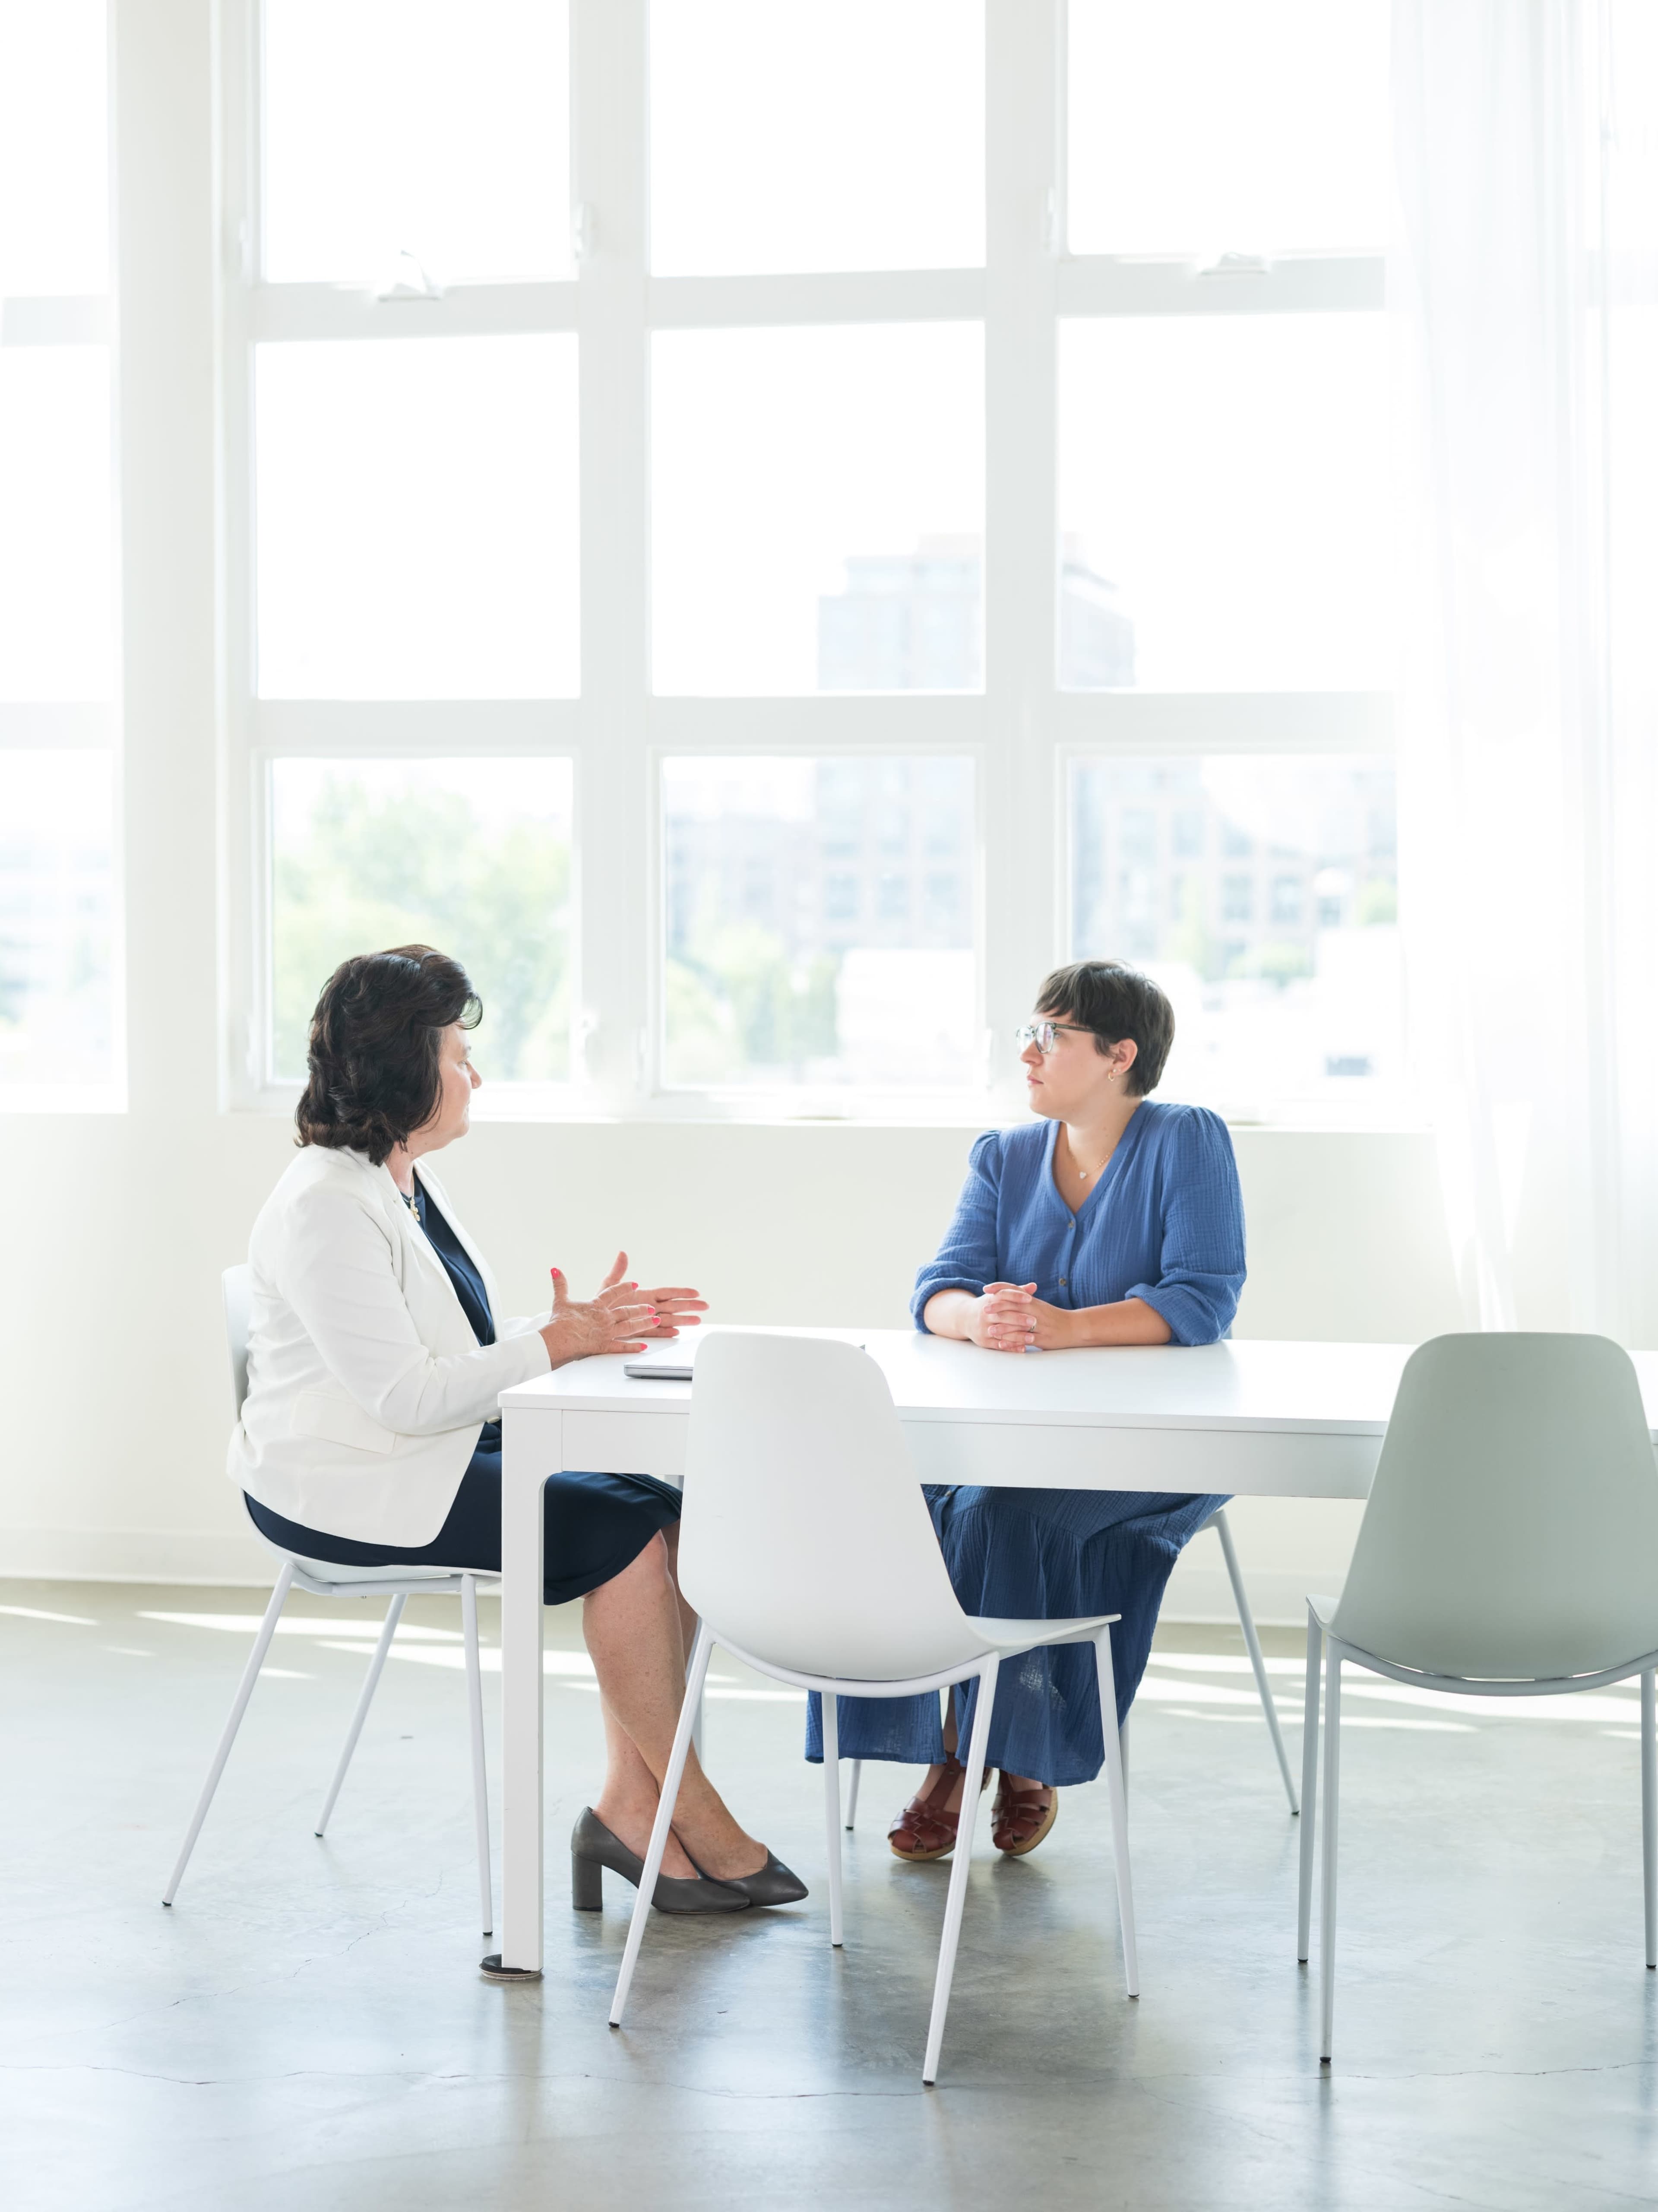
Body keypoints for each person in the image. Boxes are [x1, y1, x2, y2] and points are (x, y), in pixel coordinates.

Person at [231, 945, 804, 1921]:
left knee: (666, 1513)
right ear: (405, 1064)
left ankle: (636, 1805)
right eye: (458, 1051)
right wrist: (553, 1341)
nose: (473, 1073)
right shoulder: (329, 1203)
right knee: (620, 1538)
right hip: (351, 1486)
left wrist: (577, 1331)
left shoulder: (401, 1177)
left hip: (419, 1452)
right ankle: (687, 1807)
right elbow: (409, 1397)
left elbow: (447, 1352)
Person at [806, 959, 1245, 1862]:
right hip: (1006, 1440)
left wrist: (1066, 1327)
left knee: (997, 1514)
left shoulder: (1186, 1138)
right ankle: (981, 1746)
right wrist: (979, 1315)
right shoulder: (1003, 1155)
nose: (1028, 1052)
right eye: (1029, 1032)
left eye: (1051, 1036)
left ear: (1120, 1054)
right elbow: (938, 1289)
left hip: (1147, 1453)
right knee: (903, 1500)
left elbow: (1203, 1298)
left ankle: (977, 1754)